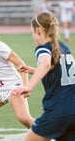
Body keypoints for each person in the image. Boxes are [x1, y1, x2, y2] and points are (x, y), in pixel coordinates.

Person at [12, 11, 75, 141]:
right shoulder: (62, 47)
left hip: (58, 110)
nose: (33, 36)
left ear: (38, 30)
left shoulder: (42, 48)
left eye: (32, 32)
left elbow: (46, 63)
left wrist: (29, 86)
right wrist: (34, 70)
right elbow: (60, 72)